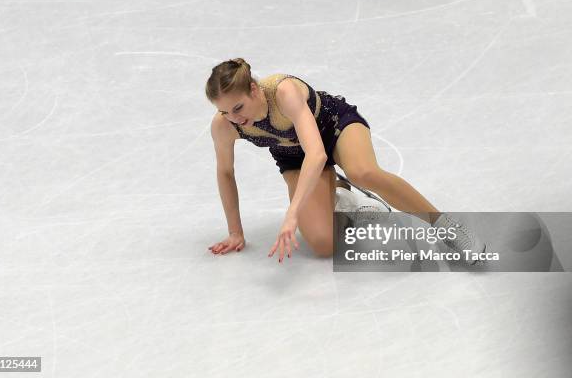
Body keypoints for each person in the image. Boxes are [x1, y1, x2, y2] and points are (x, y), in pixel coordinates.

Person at [205, 58, 485, 264]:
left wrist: (292, 213)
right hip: (293, 156)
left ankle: (448, 227)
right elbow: (225, 173)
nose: (235, 117)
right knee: (323, 245)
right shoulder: (225, 125)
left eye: (238, 107)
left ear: (254, 90)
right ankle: (341, 197)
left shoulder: (283, 92)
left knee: (364, 172)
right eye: (225, 111)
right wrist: (235, 232)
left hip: (333, 127)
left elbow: (317, 154)